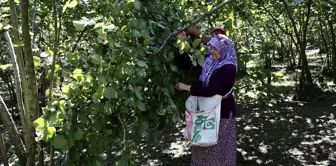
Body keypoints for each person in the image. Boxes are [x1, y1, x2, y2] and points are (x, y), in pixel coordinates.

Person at [175, 33, 237, 166]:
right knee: (203, 141)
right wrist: (182, 42)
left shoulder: (229, 68)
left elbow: (211, 90)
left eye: (216, 49)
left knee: (217, 146)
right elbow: (186, 63)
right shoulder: (210, 62)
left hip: (222, 112)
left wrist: (186, 87)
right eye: (212, 48)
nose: (212, 52)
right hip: (206, 110)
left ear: (224, 50)